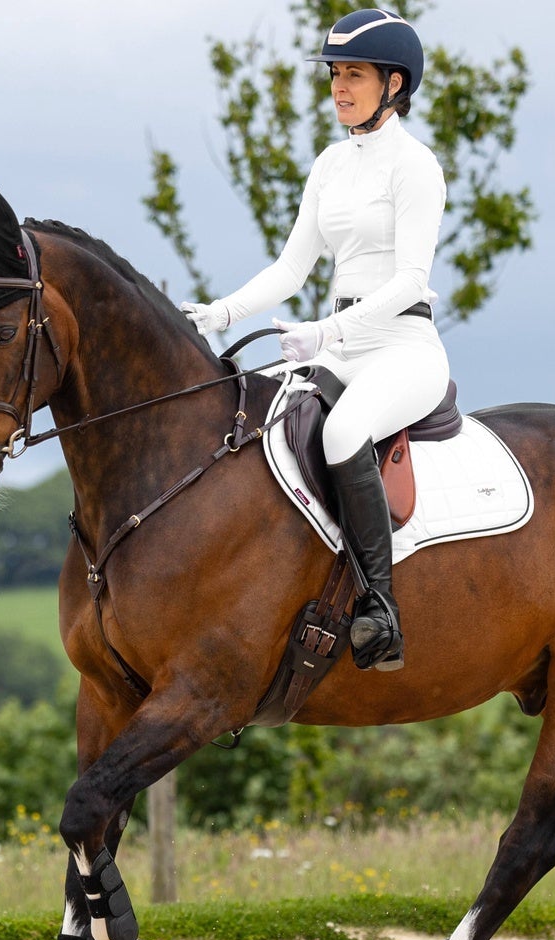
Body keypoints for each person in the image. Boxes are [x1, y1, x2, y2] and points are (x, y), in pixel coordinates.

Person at [180, 8, 447, 673]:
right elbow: (291, 268)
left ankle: (381, 609)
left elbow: (411, 276)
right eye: (334, 76)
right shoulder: (331, 165)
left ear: (394, 84)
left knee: (339, 433)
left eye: (353, 75)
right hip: (339, 346)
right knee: (269, 430)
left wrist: (326, 329)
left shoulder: (415, 167)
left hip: (403, 348)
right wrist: (219, 313)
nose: (338, 89)